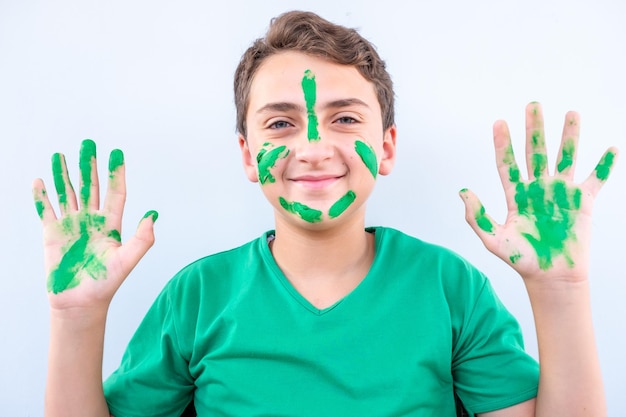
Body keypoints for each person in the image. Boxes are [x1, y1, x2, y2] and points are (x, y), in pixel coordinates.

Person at [34, 10, 618, 417]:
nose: (313, 148)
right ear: (247, 154)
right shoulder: (198, 296)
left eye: (344, 118)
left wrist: (560, 289)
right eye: (281, 123)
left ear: (386, 147)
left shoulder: (449, 288)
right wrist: (76, 318)